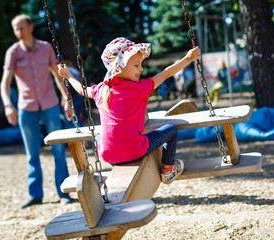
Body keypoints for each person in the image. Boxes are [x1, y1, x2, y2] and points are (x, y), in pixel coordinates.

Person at [58, 37, 201, 184]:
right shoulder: (139, 88)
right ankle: (168, 170)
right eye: (136, 65)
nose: (141, 69)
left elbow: (82, 90)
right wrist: (187, 59)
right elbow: (165, 73)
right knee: (171, 130)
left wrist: (68, 75)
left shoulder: (100, 90)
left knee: (101, 135)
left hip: (108, 156)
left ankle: (125, 152)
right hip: (134, 151)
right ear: (119, 67)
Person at [0, 14, 73, 208]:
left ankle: (64, 193)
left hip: (49, 104)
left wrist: (66, 99)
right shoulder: (13, 52)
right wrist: (8, 105)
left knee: (58, 150)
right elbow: (5, 83)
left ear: (30, 28)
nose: (19, 33)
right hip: (27, 107)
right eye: (16, 29)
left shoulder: (45, 48)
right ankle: (35, 195)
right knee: (32, 153)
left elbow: (58, 76)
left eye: (22, 28)